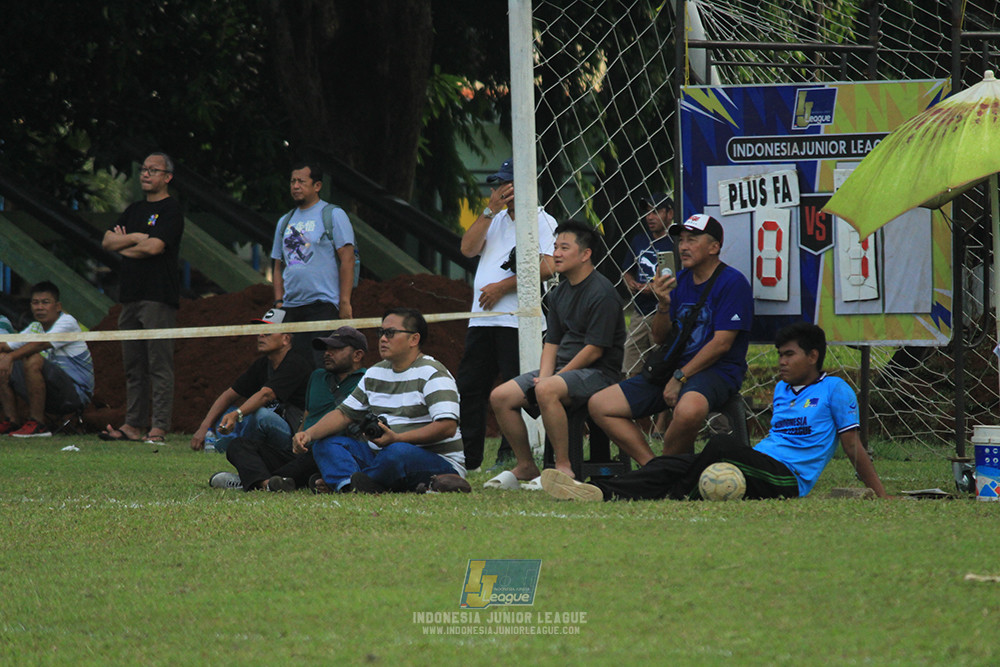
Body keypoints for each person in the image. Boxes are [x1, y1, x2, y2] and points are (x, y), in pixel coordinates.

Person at [541, 323, 889, 501]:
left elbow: (852, 446)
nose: (781, 362)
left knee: (720, 445)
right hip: (759, 462)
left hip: (788, 479)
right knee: (669, 463)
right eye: (779, 355)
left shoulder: (837, 390)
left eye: (789, 355)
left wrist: (880, 494)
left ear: (813, 357)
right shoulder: (784, 388)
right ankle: (601, 491)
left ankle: (670, 489)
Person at [588, 213, 753, 463]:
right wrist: (663, 304)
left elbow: (722, 344)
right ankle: (654, 467)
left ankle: (667, 467)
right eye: (681, 240)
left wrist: (681, 377)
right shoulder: (679, 281)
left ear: (714, 247)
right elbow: (658, 338)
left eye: (692, 240)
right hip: (673, 368)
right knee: (601, 405)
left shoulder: (733, 282)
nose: (683, 247)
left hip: (716, 371)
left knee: (689, 410)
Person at [489, 220, 626, 482]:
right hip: (564, 371)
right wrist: (546, 374)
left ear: (586, 254)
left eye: (564, 247)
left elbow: (595, 350)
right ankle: (527, 465)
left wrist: (551, 380)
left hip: (599, 373)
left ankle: (563, 467)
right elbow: (551, 342)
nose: (556, 254)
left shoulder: (603, 293)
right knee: (501, 396)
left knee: (546, 389)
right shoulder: (558, 292)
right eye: (555, 247)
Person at [293, 308, 469, 494]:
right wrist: (308, 434)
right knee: (325, 444)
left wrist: (398, 439)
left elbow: (447, 427)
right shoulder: (375, 373)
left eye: (390, 333)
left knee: (397, 452)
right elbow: (344, 414)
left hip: (436, 461)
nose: (383, 339)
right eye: (381, 333)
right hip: (383, 457)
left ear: (414, 339)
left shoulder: (433, 373)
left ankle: (357, 481)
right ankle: (349, 485)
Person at [457, 157, 557, 472]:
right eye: (498, 184)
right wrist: (489, 210)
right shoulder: (495, 219)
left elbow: (549, 265)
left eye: (507, 183)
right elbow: (468, 249)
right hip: (483, 319)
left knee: (519, 390)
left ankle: (516, 454)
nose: (501, 190)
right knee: (471, 387)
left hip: (518, 320)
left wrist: (502, 286)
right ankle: (468, 458)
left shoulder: (543, 220)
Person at [208, 326, 367, 492]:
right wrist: (298, 440)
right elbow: (308, 413)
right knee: (238, 445)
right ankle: (268, 483)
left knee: (318, 452)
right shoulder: (318, 376)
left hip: (331, 451)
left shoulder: (368, 380)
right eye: (327, 348)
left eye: (336, 349)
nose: (327, 353)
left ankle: (251, 481)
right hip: (302, 450)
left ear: (357, 355)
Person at [100, 152, 184, 443]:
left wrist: (126, 244)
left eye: (153, 170)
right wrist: (136, 238)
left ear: (167, 177)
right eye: (144, 170)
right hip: (130, 297)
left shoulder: (171, 210)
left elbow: (155, 248)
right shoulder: (134, 209)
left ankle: (159, 426)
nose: (146, 174)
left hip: (158, 297)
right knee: (133, 366)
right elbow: (107, 240)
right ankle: (133, 425)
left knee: (159, 365)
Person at [189, 308, 313, 492]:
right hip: (274, 447)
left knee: (260, 416)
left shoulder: (296, 362)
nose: (260, 335)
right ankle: (265, 483)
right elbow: (229, 394)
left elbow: (266, 395)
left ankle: (246, 479)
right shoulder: (263, 364)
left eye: (268, 332)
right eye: (260, 331)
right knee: (235, 445)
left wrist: (237, 414)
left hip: (297, 442)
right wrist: (204, 427)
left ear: (286, 339)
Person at [271, 162, 356, 363]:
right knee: (294, 366)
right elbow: (277, 266)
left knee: (322, 363)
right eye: (292, 181)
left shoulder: (333, 215)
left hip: (323, 305)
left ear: (317, 186)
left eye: (301, 181)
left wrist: (344, 302)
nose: (295, 186)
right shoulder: (285, 221)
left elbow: (348, 259)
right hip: (291, 307)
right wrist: (278, 303)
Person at [0, 282, 94, 437]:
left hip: (75, 393)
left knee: (32, 358)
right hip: (50, 391)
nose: (39, 307)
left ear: (58, 306)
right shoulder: (35, 327)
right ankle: (12, 421)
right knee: (2, 358)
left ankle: (38, 424)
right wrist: (6, 356)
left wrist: (10, 357)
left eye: (45, 302)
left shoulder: (67, 322)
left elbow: (41, 344)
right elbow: (6, 346)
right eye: (35, 303)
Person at [621, 192, 675, 377]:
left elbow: (675, 280)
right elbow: (626, 270)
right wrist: (630, 282)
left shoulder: (674, 242)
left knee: (659, 362)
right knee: (631, 361)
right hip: (639, 311)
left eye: (656, 212)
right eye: (647, 213)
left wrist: (651, 288)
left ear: (670, 214)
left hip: (661, 311)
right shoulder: (640, 240)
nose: (650, 217)